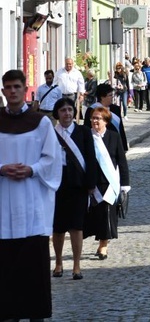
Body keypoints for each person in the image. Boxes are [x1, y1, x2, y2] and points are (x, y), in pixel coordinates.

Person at [0, 70, 62, 320]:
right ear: (3, 91)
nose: (12, 91)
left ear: (26, 89)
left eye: (16, 86)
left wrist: (31, 169)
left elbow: (53, 160)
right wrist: (1, 169)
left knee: (33, 270)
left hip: (32, 204)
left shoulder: (41, 123)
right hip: (3, 206)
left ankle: (36, 314)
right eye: (7, 87)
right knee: (7, 271)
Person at [51, 97, 97, 280]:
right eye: (63, 110)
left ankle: (77, 265)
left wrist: (91, 184)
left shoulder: (84, 132)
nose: (67, 113)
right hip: (56, 184)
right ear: (57, 113)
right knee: (58, 227)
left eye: (70, 109)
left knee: (77, 227)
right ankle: (58, 262)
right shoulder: (50, 133)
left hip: (78, 184)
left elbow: (91, 159)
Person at [84, 107, 130, 259]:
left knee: (107, 215)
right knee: (94, 216)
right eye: (93, 118)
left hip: (110, 183)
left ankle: (103, 245)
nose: (95, 121)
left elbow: (122, 162)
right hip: (92, 183)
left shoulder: (114, 137)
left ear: (106, 121)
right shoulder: (86, 137)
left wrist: (124, 185)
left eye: (98, 118)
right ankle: (99, 241)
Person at [84, 83, 129, 153]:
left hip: (114, 144)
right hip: (98, 144)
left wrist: (124, 146)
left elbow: (120, 128)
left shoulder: (115, 109)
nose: (112, 97)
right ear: (102, 97)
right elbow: (87, 128)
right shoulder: (92, 110)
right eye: (110, 95)